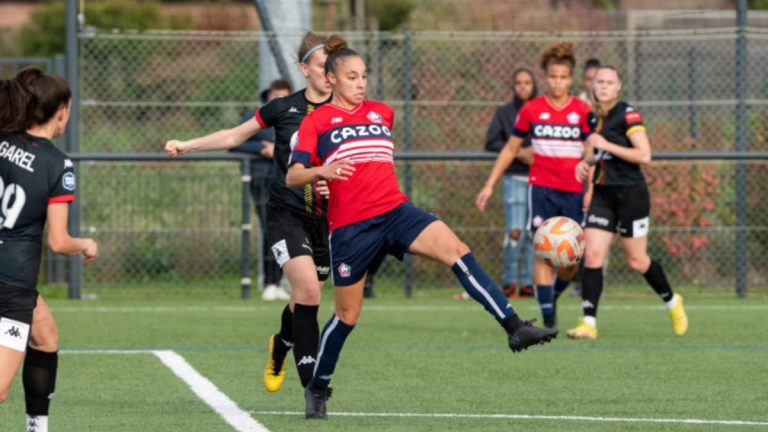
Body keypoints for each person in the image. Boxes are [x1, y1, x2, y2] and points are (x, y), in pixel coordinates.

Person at [285, 36, 558, 420]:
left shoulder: (382, 112)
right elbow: (293, 176)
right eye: (351, 76)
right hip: (351, 228)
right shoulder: (316, 121)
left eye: (364, 75)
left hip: (396, 210)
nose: (361, 83)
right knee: (347, 317)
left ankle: (514, 327)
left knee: (457, 250)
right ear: (330, 79)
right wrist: (321, 170)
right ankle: (317, 386)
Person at [165, 31, 337, 395]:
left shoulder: (346, 113)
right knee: (307, 290)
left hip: (327, 219)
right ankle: (313, 391)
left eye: (334, 67)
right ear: (305, 69)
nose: (330, 72)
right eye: (323, 66)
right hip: (286, 214)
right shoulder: (283, 108)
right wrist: (188, 145)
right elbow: (233, 136)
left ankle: (280, 347)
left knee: (303, 298)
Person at [0, 68, 99, 432]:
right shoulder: (58, 164)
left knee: (46, 336)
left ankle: (36, 427)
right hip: (11, 283)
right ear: (60, 111)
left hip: (12, 279)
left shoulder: (3, 137)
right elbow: (59, 242)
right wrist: (86, 243)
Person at [566, 66, 689, 339]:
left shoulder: (628, 114)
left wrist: (606, 146)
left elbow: (644, 155)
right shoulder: (591, 117)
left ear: (619, 86)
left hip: (631, 195)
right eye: (600, 82)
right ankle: (589, 323)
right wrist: (584, 163)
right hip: (602, 194)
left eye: (610, 82)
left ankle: (672, 301)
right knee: (593, 255)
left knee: (637, 261)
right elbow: (597, 154)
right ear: (593, 85)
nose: (604, 86)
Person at [476, 42, 592, 329]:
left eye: (563, 77)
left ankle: (550, 297)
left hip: (573, 191)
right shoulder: (532, 110)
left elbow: (592, 151)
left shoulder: (582, 110)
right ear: (546, 77)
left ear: (571, 78)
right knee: (542, 252)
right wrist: (489, 185)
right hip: (541, 189)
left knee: (569, 261)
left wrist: (589, 182)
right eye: (553, 76)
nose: (557, 82)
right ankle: (549, 320)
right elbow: (509, 149)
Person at [454, 68, 538, 300]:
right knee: (514, 232)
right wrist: (519, 152)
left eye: (527, 82)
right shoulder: (505, 112)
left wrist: (535, 153)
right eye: (518, 82)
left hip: (539, 179)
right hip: (513, 178)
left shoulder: (541, 111)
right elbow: (492, 142)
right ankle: (510, 282)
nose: (523, 86)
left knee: (534, 233)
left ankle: (528, 283)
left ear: (534, 85)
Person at [229, 79, 292, 301]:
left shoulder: (293, 119)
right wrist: (262, 148)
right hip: (262, 180)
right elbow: (234, 142)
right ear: (268, 97)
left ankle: (277, 281)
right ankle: (269, 282)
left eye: (284, 96)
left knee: (286, 229)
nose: (279, 100)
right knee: (270, 227)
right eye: (276, 96)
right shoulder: (254, 118)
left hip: (287, 180)